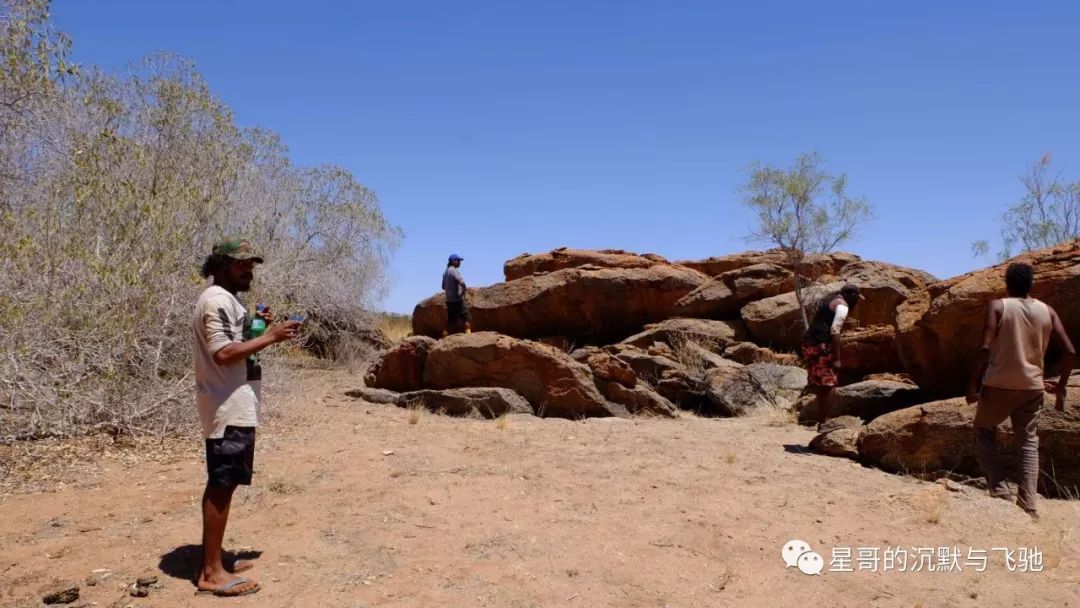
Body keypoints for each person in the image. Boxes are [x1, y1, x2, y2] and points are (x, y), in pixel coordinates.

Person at [193, 238, 300, 597]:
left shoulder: (228, 301)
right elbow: (223, 353)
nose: (249, 270)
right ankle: (211, 572)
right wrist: (270, 337)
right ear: (222, 265)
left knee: (227, 482)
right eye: (242, 264)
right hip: (226, 405)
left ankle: (216, 559)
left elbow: (232, 343)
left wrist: (255, 326)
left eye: (250, 264)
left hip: (235, 403)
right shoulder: (216, 301)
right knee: (221, 484)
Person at [966, 262, 1074, 518]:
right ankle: (1029, 505)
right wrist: (1061, 385)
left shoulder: (998, 306)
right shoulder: (1047, 311)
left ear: (1007, 283)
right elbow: (1070, 352)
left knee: (983, 431)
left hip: (998, 384)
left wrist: (972, 384)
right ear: (1031, 284)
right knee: (1027, 443)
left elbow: (984, 348)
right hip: (1032, 387)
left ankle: (1001, 491)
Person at [802, 283, 864, 424]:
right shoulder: (842, 306)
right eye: (857, 298)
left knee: (821, 383)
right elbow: (835, 331)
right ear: (852, 296)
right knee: (829, 384)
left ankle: (823, 421)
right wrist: (837, 357)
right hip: (821, 348)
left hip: (810, 345)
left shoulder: (830, 300)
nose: (857, 301)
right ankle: (826, 422)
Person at [442, 253, 471, 336]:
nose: (459, 263)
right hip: (457, 299)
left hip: (449, 300)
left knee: (450, 320)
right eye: (458, 261)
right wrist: (463, 288)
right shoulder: (454, 270)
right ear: (454, 261)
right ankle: (469, 335)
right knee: (466, 316)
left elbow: (443, 287)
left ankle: (444, 336)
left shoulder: (445, 272)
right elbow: (461, 282)